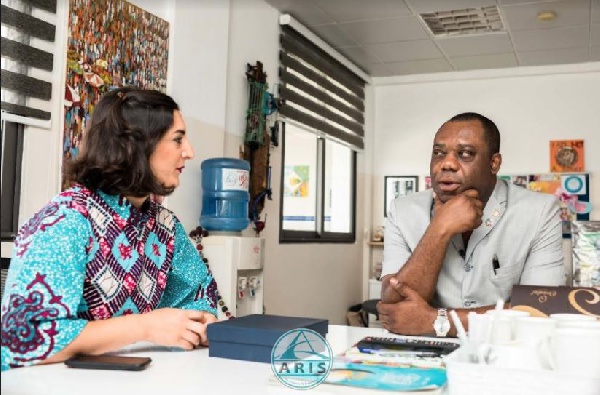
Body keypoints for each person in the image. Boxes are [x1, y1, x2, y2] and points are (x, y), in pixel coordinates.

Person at [1, 88, 218, 371]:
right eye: (177, 139)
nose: (189, 152)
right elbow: (20, 339)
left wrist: (201, 321)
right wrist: (144, 327)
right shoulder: (64, 222)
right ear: (137, 145)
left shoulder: (165, 226)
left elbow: (200, 294)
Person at [378, 112, 566, 336]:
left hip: (506, 349)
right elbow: (395, 306)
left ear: (494, 163)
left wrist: (437, 322)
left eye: (465, 154)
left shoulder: (540, 211)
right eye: (438, 153)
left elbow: (541, 310)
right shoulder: (403, 210)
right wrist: (440, 228)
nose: (446, 164)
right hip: (423, 354)